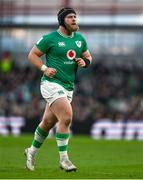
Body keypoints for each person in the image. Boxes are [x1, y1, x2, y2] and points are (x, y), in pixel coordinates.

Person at [24, 7, 92, 172]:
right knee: (67, 117)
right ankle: (64, 159)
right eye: (70, 17)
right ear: (62, 21)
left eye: (75, 16)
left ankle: (31, 152)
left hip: (68, 87)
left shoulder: (80, 39)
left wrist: (85, 62)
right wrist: (44, 68)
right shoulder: (50, 38)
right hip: (51, 83)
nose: (74, 19)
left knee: (48, 122)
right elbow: (32, 55)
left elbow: (88, 56)